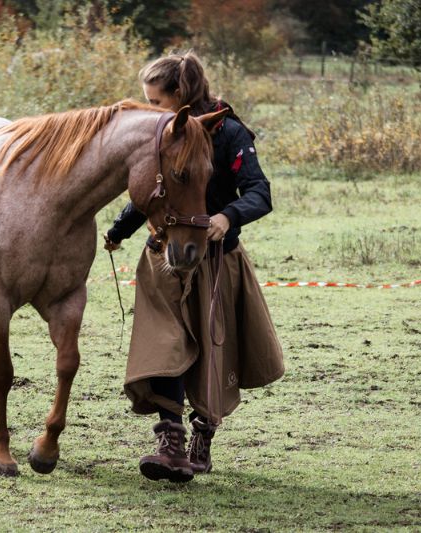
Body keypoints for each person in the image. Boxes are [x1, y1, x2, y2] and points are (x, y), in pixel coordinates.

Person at [104, 51, 285, 483]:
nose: (150, 110)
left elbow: (260, 191)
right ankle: (170, 442)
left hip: (215, 261)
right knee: (164, 345)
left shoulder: (230, 133)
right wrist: (119, 230)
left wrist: (227, 217)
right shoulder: (160, 133)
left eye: (155, 100)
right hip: (163, 257)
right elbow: (150, 190)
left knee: (210, 350)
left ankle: (202, 436)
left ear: (180, 95)